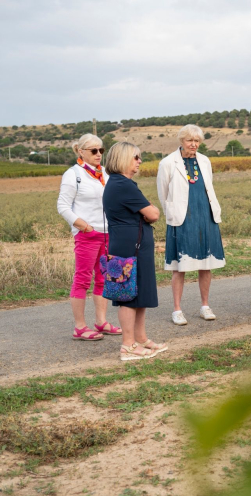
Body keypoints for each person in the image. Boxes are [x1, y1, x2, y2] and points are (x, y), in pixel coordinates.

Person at [102, 142, 167, 361]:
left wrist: (148, 210)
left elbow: (148, 212)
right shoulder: (123, 185)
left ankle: (140, 339)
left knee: (138, 293)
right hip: (130, 246)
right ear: (122, 159)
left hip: (133, 244)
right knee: (128, 296)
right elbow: (153, 213)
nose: (140, 161)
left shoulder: (120, 183)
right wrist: (150, 209)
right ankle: (128, 346)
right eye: (136, 157)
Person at [157, 124, 225, 326]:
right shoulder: (168, 163)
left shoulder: (204, 161)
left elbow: (208, 186)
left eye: (197, 141)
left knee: (206, 264)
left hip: (206, 216)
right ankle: (177, 309)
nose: (193, 144)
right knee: (180, 266)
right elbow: (163, 195)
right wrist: (173, 212)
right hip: (182, 219)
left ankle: (205, 305)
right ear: (181, 141)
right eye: (190, 141)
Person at [57, 133, 122, 340]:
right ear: (81, 151)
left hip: (107, 234)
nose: (98, 154)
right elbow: (63, 206)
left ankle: (101, 322)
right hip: (87, 234)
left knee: (104, 277)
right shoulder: (73, 174)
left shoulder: (105, 173)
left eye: (101, 150)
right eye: (93, 150)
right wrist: (83, 226)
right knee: (83, 278)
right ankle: (80, 326)